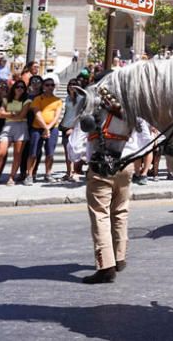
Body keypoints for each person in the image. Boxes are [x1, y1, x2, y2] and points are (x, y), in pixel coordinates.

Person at [69, 107, 152, 283]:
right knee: (120, 211)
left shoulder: (90, 110)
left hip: (100, 167)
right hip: (125, 165)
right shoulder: (132, 109)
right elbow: (147, 143)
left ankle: (106, 266)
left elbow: (74, 150)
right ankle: (119, 258)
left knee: (100, 215)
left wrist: (86, 153)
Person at [0, 80, 31, 186]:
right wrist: (12, 114)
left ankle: (12, 177)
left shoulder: (26, 100)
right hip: (8, 127)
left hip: (21, 127)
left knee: (17, 154)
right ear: (14, 88)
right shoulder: (7, 99)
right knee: (0, 152)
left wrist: (7, 114)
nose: (20, 89)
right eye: (17, 87)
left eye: (22, 87)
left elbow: (21, 115)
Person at [26, 75, 64, 183]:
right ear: (43, 86)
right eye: (47, 85)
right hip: (37, 128)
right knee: (33, 153)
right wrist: (45, 128)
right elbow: (37, 114)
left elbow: (57, 116)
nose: (50, 87)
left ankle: (48, 173)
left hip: (52, 128)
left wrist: (48, 128)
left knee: (50, 153)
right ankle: (29, 175)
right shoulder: (37, 99)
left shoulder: (58, 100)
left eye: (52, 85)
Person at [60, 79, 85, 182]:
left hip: (75, 128)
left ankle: (75, 172)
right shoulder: (67, 98)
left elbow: (81, 115)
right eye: (70, 84)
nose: (72, 86)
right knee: (67, 151)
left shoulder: (81, 99)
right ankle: (68, 172)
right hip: (65, 126)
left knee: (75, 150)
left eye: (74, 84)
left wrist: (73, 128)